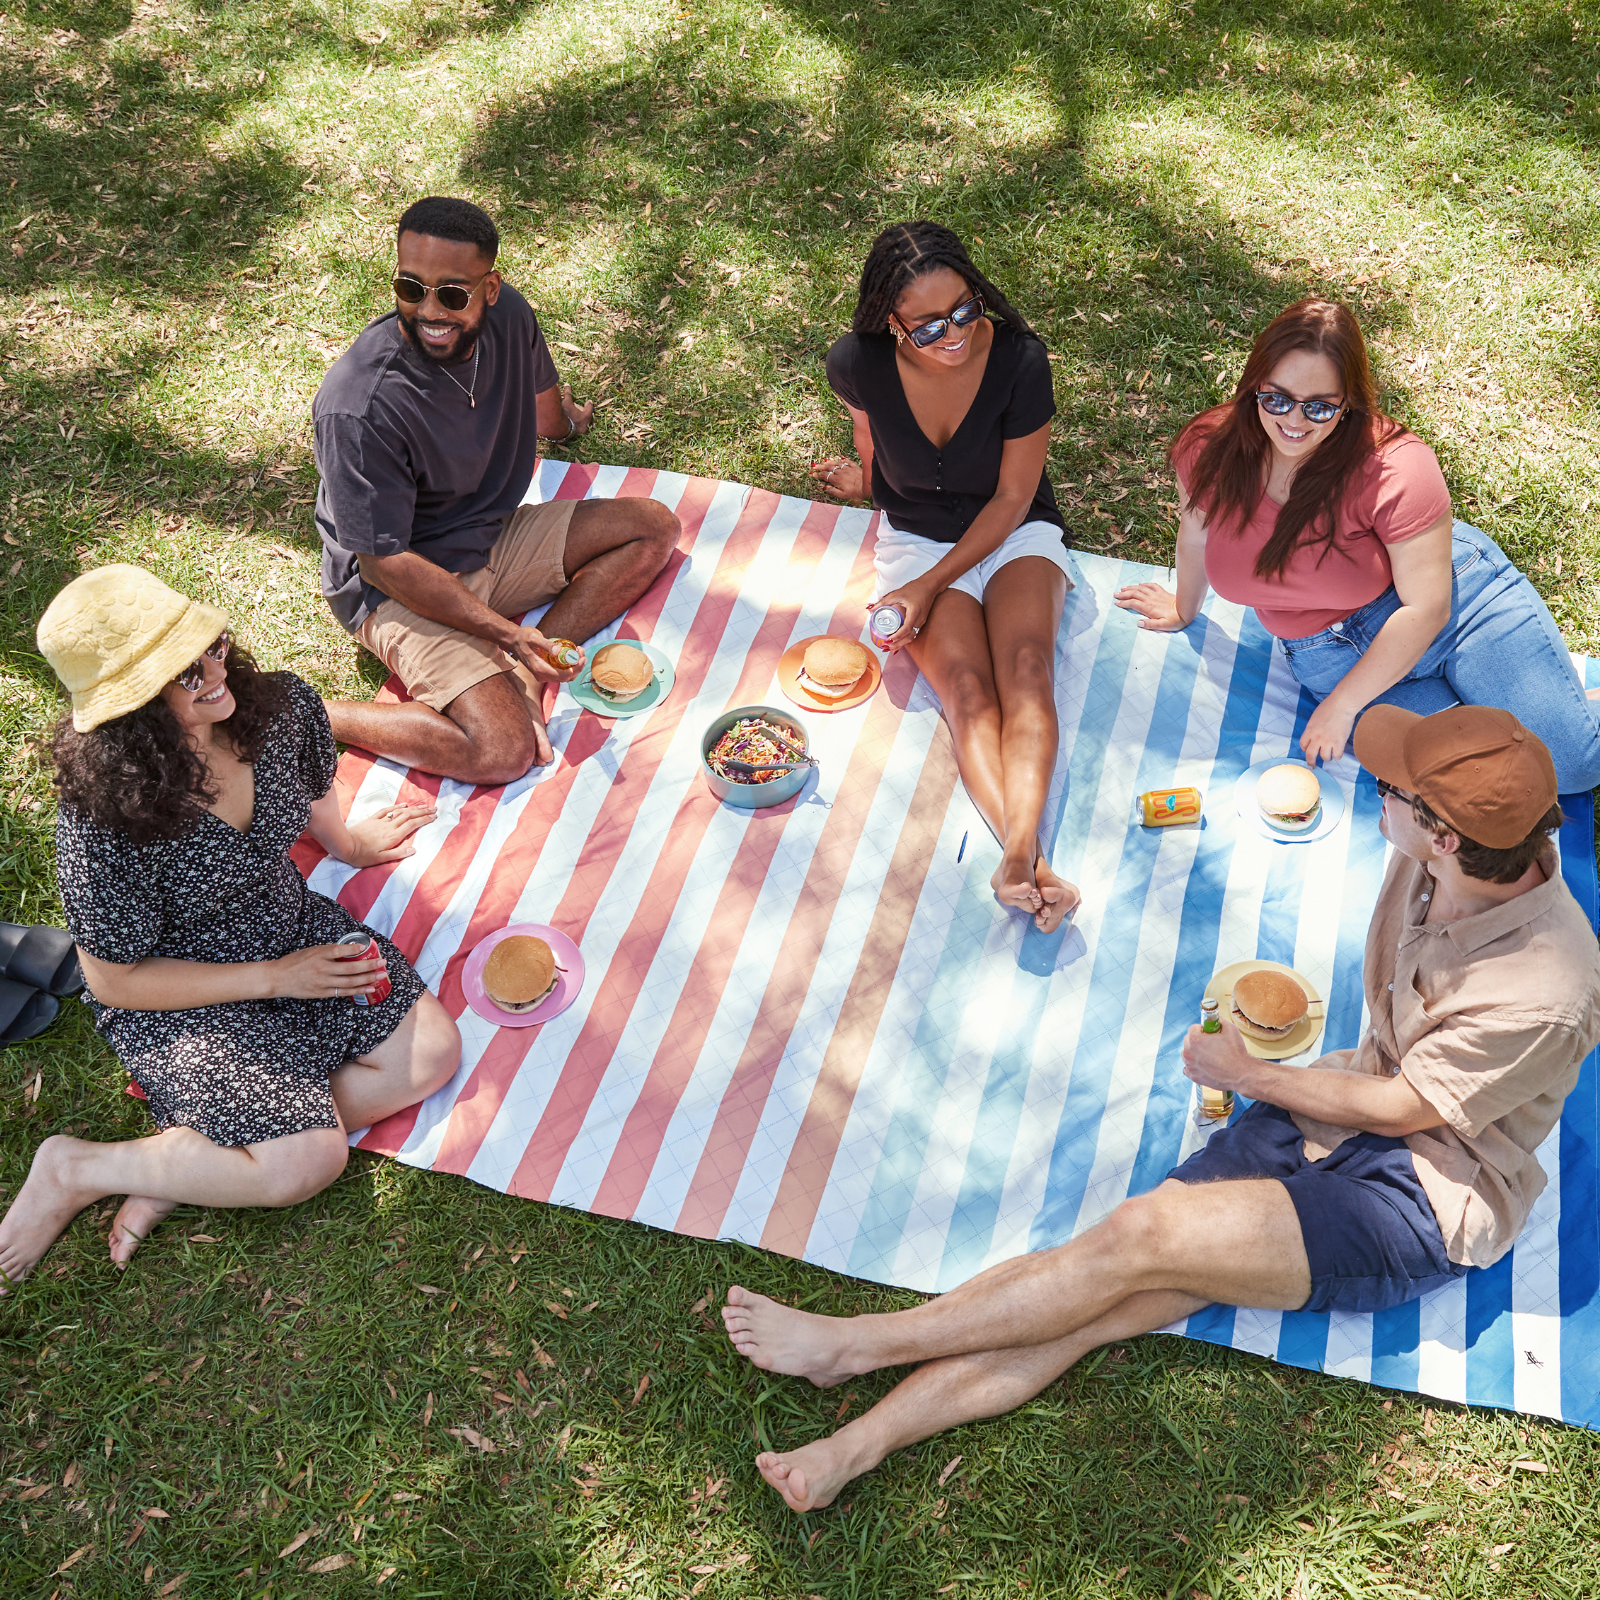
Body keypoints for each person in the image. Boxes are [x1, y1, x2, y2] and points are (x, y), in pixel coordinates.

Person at [722, 704, 1600, 1512]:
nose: (1374, 790)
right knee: (1106, 1283)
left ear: (1446, 835)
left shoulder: (1546, 988)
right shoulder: (1430, 858)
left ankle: (857, 1346)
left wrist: (1249, 1072)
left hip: (1425, 1190)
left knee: (1134, 1245)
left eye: (1390, 788)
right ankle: (856, 1446)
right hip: (1336, 1112)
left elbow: (1410, 1107)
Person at [0, 566, 460, 1291]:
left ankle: (196, 1161)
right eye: (185, 670)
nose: (215, 670)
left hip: (289, 927)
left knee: (432, 1054)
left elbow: (312, 786)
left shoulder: (274, 708)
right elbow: (113, 980)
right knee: (306, 1162)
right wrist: (276, 978)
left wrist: (347, 845)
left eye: (211, 644)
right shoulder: (104, 822)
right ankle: (77, 1167)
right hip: (181, 998)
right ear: (135, 709)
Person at [1113, 298, 1600, 793]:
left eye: (1320, 406)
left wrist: (1340, 707)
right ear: (1253, 385)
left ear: (1349, 404)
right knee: (1487, 780)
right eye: (1276, 398)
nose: (1294, 421)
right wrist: (1183, 606)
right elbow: (1195, 536)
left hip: (1455, 611)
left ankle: (1552, 703)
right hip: (1331, 655)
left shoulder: (1397, 466)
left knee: (1569, 768)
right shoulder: (1207, 450)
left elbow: (1427, 608)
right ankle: (1532, 698)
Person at [315, 195, 679, 785]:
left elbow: (545, 401)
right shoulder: (358, 406)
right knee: (504, 751)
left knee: (654, 527)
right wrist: (507, 631)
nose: (430, 310)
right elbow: (382, 565)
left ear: (490, 289)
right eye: (411, 287)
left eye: (452, 293)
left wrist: (567, 424)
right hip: (397, 587)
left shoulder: (510, 317)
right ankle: (309, 712)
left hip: (487, 538)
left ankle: (528, 673)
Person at [812, 221, 1079, 933]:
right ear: (888, 321)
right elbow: (872, 443)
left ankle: (1019, 851)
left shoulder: (1020, 361)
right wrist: (861, 479)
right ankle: (1034, 868)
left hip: (1013, 528)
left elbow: (1014, 497)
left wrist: (929, 588)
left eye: (964, 309)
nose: (954, 333)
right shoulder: (854, 364)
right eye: (927, 325)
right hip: (914, 541)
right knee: (965, 691)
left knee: (1027, 666)